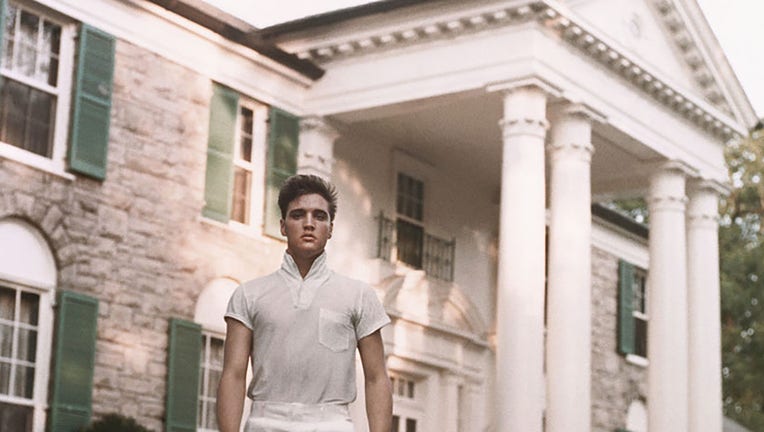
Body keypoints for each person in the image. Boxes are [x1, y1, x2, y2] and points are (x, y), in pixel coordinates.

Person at [217, 174, 393, 432]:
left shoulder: (359, 295)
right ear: (282, 226)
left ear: (331, 228)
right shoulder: (248, 295)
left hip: (332, 424)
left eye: (319, 216)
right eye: (298, 215)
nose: (309, 223)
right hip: (265, 423)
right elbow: (233, 374)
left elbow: (377, 377)